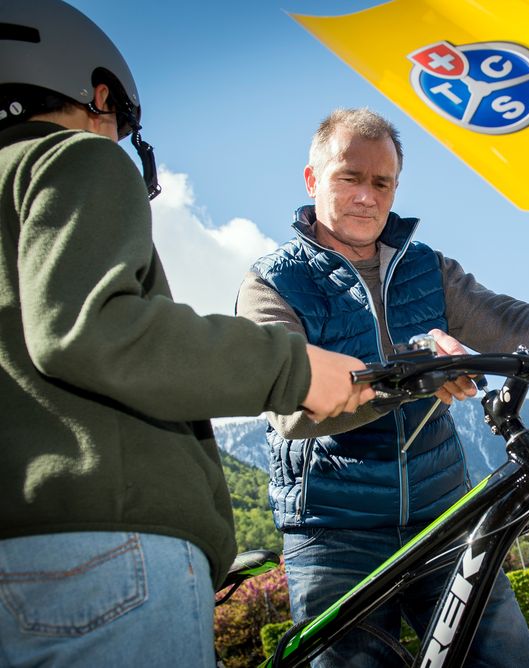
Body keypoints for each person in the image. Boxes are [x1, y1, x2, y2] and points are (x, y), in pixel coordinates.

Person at [235, 107, 529, 667]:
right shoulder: (272, 282)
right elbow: (290, 407)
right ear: (312, 179)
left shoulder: (427, 268)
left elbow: (509, 321)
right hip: (334, 533)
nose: (368, 197)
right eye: (350, 177)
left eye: (383, 182)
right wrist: (415, 373)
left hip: (443, 516)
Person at [0, 2, 373, 665]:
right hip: (103, 552)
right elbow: (91, 329)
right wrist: (297, 369)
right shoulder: (69, 157)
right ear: (100, 96)